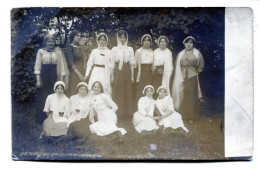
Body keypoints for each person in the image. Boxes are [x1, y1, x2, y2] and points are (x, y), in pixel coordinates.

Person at [34, 34, 69, 124]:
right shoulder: (41, 51)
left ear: (54, 42)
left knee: (54, 96)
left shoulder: (58, 52)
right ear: (45, 42)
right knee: (43, 96)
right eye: (48, 41)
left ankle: (54, 117)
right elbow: (37, 65)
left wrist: (60, 80)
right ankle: (41, 119)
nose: (50, 43)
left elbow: (61, 67)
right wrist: (38, 79)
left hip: (54, 75)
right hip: (44, 75)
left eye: (52, 41)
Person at [171, 36, 204, 123]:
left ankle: (191, 117)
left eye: (191, 43)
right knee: (181, 94)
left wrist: (195, 72)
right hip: (181, 76)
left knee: (190, 95)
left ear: (193, 44)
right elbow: (176, 66)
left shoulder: (197, 53)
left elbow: (200, 66)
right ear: (184, 43)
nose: (189, 44)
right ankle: (182, 115)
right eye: (187, 42)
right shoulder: (180, 54)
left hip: (191, 76)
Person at [111, 30, 136, 121]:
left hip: (127, 70)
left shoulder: (130, 49)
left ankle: (127, 113)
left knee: (127, 91)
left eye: (123, 37)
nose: (122, 39)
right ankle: (118, 113)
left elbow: (132, 64)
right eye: (120, 37)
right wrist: (112, 76)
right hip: (117, 71)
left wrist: (132, 76)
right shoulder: (114, 49)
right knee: (118, 90)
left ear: (126, 38)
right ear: (118, 38)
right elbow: (112, 63)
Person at [134, 34, 154, 109]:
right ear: (142, 42)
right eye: (145, 40)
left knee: (149, 90)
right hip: (141, 73)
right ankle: (139, 109)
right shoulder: (138, 52)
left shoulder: (152, 51)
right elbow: (135, 65)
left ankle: (149, 109)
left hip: (150, 74)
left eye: (148, 40)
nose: (146, 42)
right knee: (141, 91)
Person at [65, 30, 87, 96]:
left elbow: (84, 60)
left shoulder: (80, 47)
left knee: (83, 90)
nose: (79, 37)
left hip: (83, 71)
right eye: (77, 36)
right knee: (74, 90)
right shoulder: (69, 48)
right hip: (74, 73)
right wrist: (79, 74)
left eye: (80, 36)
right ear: (73, 37)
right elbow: (71, 63)